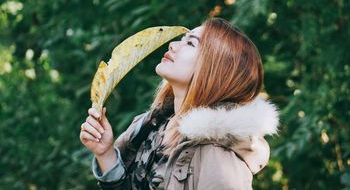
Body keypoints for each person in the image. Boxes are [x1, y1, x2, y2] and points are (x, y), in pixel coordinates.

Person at [80, 17, 279, 190]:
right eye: (182, 40)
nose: (173, 45)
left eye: (190, 43)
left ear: (215, 69)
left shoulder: (216, 155)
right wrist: (105, 154)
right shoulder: (150, 128)